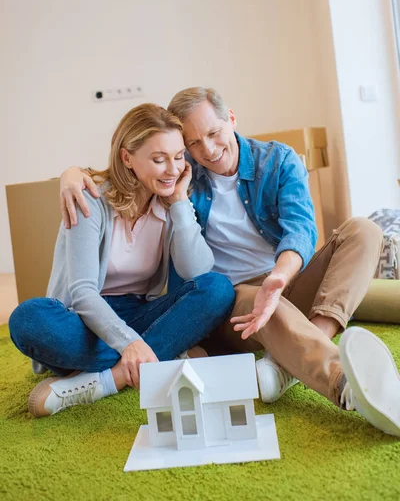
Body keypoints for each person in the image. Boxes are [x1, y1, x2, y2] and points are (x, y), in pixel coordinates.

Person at [58, 88, 400, 437]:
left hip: (286, 277)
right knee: (258, 299)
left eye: (213, 133)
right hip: (235, 301)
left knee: (364, 230)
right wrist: (70, 174)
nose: (206, 149)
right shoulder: (183, 176)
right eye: (192, 143)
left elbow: (301, 230)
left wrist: (279, 278)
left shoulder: (277, 160)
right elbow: (129, 167)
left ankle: (289, 362)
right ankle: (342, 379)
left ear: (231, 119)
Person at [8, 103, 235, 418]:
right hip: (84, 319)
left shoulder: (171, 201)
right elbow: (83, 292)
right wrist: (128, 343)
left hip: (139, 313)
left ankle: (106, 380)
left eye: (179, 156)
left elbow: (197, 271)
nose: (172, 169)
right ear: (127, 157)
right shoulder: (91, 198)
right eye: (158, 159)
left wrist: (180, 203)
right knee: (28, 319)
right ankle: (161, 356)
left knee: (218, 288)